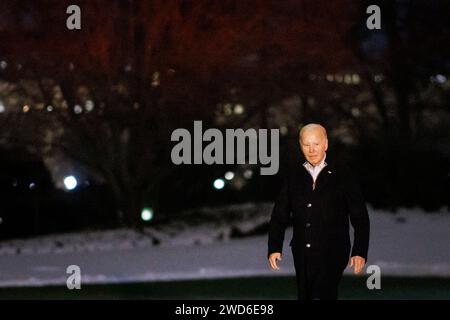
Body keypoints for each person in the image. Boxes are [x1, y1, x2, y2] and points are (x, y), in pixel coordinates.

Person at [267, 123, 370, 300]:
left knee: (323, 293)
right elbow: (279, 214)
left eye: (316, 144)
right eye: (306, 144)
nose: (312, 149)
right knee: (305, 295)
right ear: (300, 146)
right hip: (302, 250)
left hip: (334, 249)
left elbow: (359, 216)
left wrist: (359, 250)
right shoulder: (294, 175)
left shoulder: (343, 174)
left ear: (325, 144)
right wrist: (274, 247)